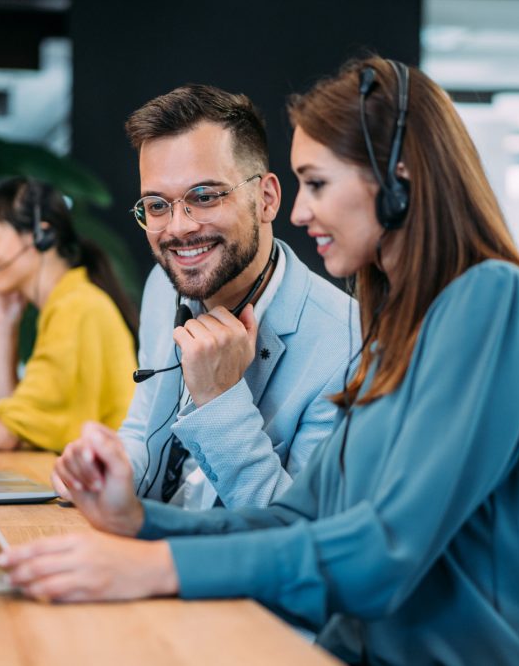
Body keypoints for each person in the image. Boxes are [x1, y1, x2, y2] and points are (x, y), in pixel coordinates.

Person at [0, 58, 519, 665]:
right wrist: (138, 523)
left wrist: (159, 567)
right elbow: (297, 520)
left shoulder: (494, 302)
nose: (301, 212)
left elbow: (384, 553)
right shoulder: (392, 325)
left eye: (316, 184)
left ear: (398, 178)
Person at [60, 84, 356, 510]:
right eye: (157, 205)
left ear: (266, 199)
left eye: (203, 197)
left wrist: (220, 401)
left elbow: (300, 536)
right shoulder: (165, 287)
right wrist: (104, 468)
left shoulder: (346, 346)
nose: (178, 227)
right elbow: (144, 429)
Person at [0, 178, 138, 452]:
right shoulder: (70, 300)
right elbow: (19, 418)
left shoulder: (77, 307)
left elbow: (8, 434)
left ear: (41, 235)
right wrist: (5, 325)